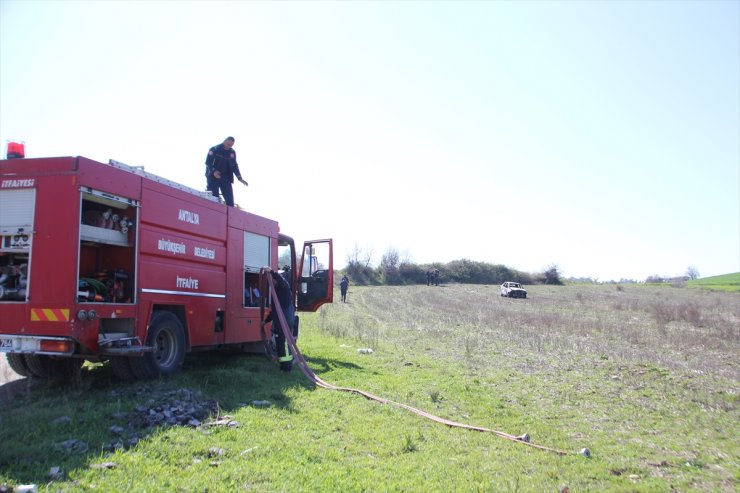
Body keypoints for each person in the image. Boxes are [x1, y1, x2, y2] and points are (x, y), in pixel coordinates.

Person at [205, 136, 248, 207]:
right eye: (228, 144)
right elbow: (208, 162)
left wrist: (239, 178)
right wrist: (214, 171)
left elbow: (234, 165)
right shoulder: (214, 149)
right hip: (213, 176)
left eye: (231, 145)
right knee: (214, 198)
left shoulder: (232, 152)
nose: (229, 146)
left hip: (225, 177)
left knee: (230, 201)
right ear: (225, 141)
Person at [266, 270, 295, 372]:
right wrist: (265, 321)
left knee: (285, 345)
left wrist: (271, 271)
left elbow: (280, 279)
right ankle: (283, 366)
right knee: (280, 344)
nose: (272, 282)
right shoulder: (276, 292)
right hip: (280, 323)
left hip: (285, 322)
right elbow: (274, 311)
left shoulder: (284, 286)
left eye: (273, 280)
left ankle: (287, 368)